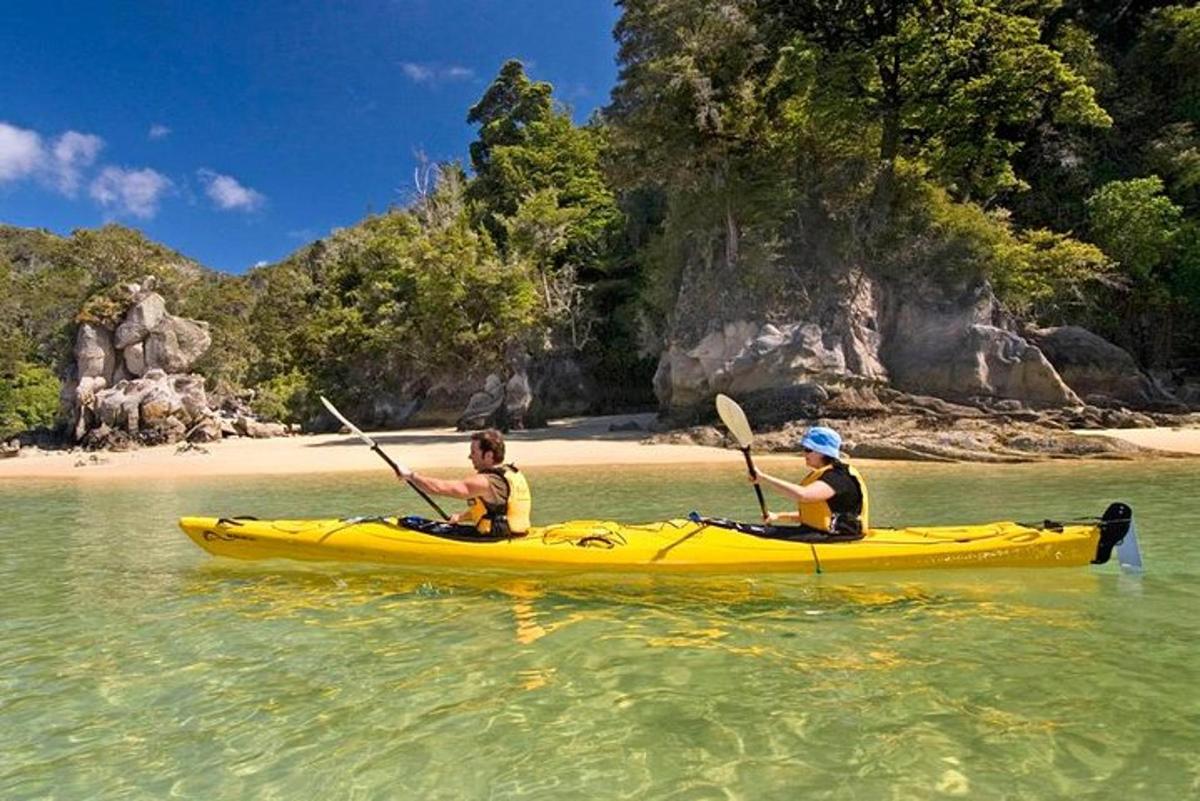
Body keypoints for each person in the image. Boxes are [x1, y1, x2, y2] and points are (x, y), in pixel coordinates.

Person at [395, 429, 532, 537]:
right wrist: (461, 517)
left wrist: (411, 476)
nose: (470, 456)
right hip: (515, 534)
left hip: (497, 539)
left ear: (489, 455)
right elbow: (495, 510)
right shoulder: (510, 472)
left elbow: (440, 488)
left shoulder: (486, 482)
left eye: (474, 452)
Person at [750, 425, 870, 540]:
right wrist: (778, 516)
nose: (804, 454)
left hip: (838, 537)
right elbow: (814, 515)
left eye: (808, 450)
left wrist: (763, 478)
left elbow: (804, 495)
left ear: (823, 452)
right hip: (819, 533)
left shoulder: (837, 477)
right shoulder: (825, 474)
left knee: (755, 533)